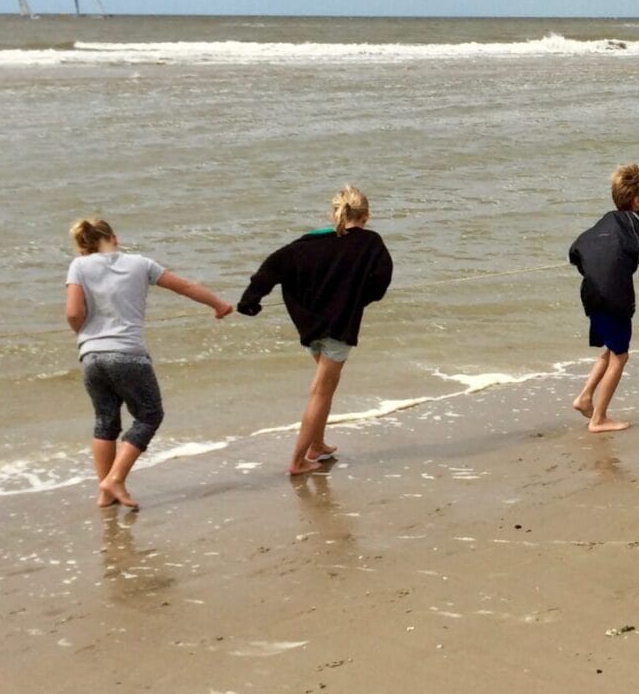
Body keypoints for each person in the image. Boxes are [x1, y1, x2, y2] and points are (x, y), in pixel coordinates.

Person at [64, 218, 232, 510]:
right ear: (114, 238)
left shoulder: (78, 267)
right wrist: (218, 305)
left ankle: (106, 492)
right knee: (149, 415)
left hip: (91, 357)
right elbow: (185, 286)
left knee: (105, 421)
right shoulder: (140, 263)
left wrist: (85, 334)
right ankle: (115, 479)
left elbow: (73, 312)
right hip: (129, 355)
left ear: (83, 246)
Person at [238, 185, 393, 474]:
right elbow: (381, 281)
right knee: (321, 391)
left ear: (333, 212)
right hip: (339, 328)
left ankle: (317, 445)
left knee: (328, 386)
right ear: (366, 216)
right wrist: (357, 299)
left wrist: (251, 300)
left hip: (309, 327)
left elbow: (272, 267)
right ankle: (297, 461)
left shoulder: (306, 244)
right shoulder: (370, 242)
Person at [568, 164, 639, 432]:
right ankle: (599, 419)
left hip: (590, 294)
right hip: (614, 298)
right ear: (638, 201)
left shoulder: (606, 219)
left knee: (612, 349)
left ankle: (584, 397)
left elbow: (576, 249)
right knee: (620, 357)